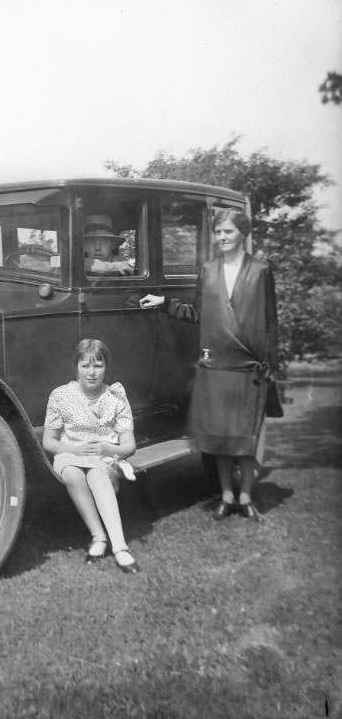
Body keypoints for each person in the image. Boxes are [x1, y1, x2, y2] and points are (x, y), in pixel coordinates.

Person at [140, 209, 278, 521]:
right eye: (218, 233)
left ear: (242, 233)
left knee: (245, 438)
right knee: (218, 439)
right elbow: (198, 314)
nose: (222, 238)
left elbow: (270, 323)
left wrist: (271, 364)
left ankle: (246, 497)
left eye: (228, 232)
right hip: (215, 366)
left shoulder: (260, 271)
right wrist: (165, 304)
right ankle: (227, 497)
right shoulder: (208, 270)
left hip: (248, 367)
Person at [42, 338, 140, 573]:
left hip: (103, 455)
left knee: (97, 473)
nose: (92, 373)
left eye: (98, 366)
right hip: (70, 452)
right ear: (75, 366)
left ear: (106, 367)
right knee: (72, 473)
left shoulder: (115, 396)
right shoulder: (61, 396)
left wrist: (109, 450)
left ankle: (119, 546)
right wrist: (74, 450)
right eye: (85, 366)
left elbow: (129, 446)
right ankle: (98, 537)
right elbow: (49, 442)